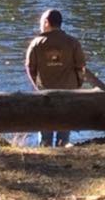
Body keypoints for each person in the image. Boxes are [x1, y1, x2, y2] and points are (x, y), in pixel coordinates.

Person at [25, 9, 86, 147]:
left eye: (41, 22)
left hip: (45, 95)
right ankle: (62, 149)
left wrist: (36, 86)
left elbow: (30, 68)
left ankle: (45, 154)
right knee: (64, 136)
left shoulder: (36, 43)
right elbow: (81, 67)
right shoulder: (73, 42)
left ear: (46, 23)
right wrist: (78, 85)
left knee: (45, 136)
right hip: (68, 94)